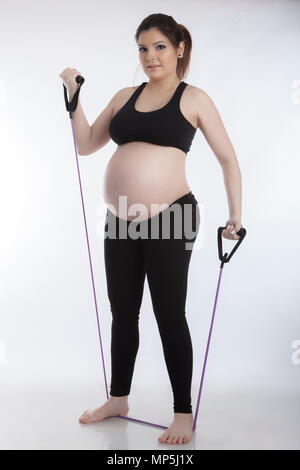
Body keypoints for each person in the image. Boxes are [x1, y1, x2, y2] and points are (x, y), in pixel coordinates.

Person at [60, 13, 243, 445]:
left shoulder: (193, 98)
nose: (150, 56)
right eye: (143, 48)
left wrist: (236, 215)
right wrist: (74, 97)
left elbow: (228, 159)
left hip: (173, 215)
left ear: (179, 48)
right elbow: (86, 144)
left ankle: (182, 412)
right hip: (118, 217)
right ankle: (118, 398)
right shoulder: (125, 96)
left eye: (159, 46)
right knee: (123, 313)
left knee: (168, 313)